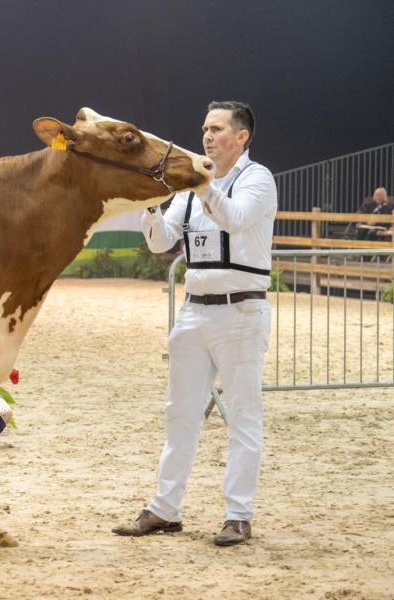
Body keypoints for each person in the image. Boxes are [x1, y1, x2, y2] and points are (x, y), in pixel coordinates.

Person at [112, 101, 277, 546]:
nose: (206, 136)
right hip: (194, 310)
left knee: (243, 416)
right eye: (204, 128)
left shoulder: (257, 180)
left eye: (217, 129)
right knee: (179, 414)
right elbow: (163, 243)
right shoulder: (187, 193)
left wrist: (202, 185)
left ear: (241, 137)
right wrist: (149, 205)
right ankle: (165, 509)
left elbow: (236, 219)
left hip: (242, 312)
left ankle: (238, 514)